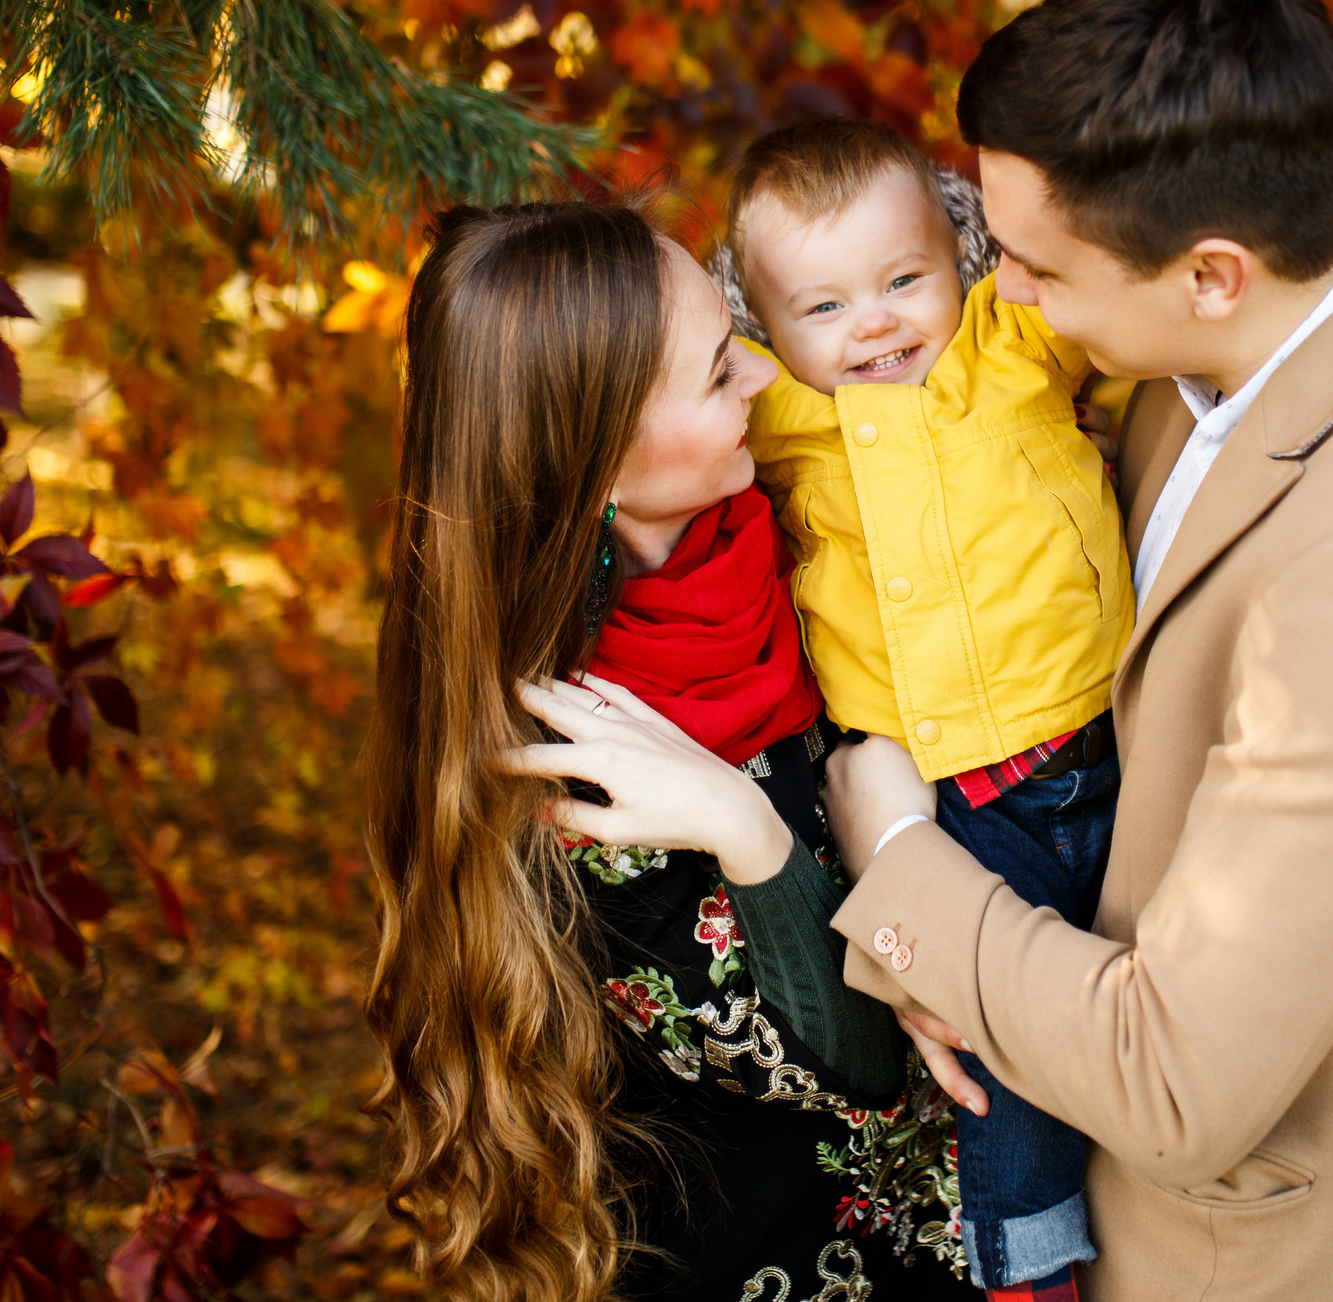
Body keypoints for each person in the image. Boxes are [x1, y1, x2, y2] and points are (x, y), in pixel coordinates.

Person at [819, 0, 1333, 1301]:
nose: (1005, 298)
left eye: (1041, 269)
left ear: (1213, 270)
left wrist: (895, 855)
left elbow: (1179, 1075)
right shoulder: (1199, 369)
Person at [361, 203, 974, 1302]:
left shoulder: (796, 523)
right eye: (712, 376)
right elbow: (863, 1067)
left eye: (732, 337)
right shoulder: (565, 761)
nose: (761, 378)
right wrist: (753, 835)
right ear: (592, 464)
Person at [715, 116, 1133, 1302]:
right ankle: (1028, 1270)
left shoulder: (1004, 348)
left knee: (1147, 1016)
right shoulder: (777, 423)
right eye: (825, 307)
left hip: (1106, 747)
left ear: (959, 261)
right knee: (996, 1048)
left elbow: (1094, 265)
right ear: (764, 327)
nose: (877, 324)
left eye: (904, 281)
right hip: (957, 804)